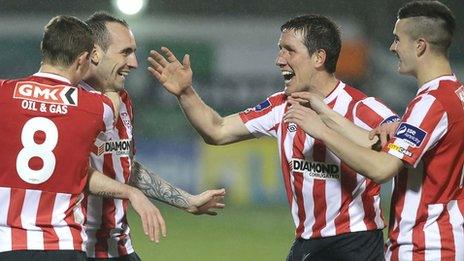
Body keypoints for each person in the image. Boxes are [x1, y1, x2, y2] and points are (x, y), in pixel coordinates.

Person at [148, 14, 400, 260]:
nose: (279, 60)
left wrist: (393, 125)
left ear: (318, 57)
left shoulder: (361, 107)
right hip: (306, 243)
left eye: (289, 50)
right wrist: (185, 93)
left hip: (355, 243)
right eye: (280, 50)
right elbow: (217, 130)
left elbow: (399, 141)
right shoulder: (281, 106)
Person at [283, 1, 464, 260]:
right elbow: (378, 144)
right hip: (442, 239)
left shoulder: (431, 103)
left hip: (426, 247)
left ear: (420, 45)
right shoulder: (454, 94)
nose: (393, 47)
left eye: (397, 39)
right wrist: (326, 114)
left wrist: (321, 132)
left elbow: (381, 169)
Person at [0, 15, 164, 261]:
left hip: (7, 243)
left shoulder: (4, 92)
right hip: (62, 243)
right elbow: (113, 99)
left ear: (44, 50)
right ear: (83, 60)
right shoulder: (96, 107)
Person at [82, 12, 226, 261]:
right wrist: (131, 194)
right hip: (76, 249)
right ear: (95, 52)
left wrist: (186, 201)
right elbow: (71, 173)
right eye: (125, 52)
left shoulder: (122, 100)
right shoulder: (67, 103)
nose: (135, 63)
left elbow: (124, 166)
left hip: (119, 249)